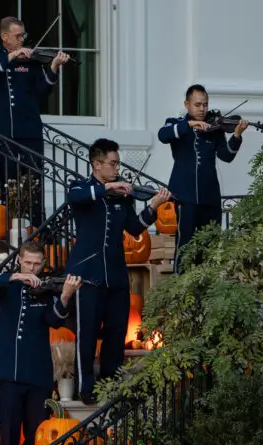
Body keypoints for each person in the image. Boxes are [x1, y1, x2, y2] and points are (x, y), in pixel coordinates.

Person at [65, 139, 172, 404]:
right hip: (86, 273)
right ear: (96, 164)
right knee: (87, 333)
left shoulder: (122, 196)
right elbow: (75, 197)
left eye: (117, 164)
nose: (116, 168)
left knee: (116, 332)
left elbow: (134, 228)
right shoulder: (82, 187)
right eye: (112, 164)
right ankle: (85, 387)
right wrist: (107, 187)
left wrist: (153, 206)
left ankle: (109, 384)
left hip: (115, 274)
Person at [0, 241, 81, 445]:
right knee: (8, 435)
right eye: (28, 263)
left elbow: (54, 320)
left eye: (37, 264)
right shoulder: (9, 286)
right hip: (8, 372)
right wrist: (15, 276)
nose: (32, 268)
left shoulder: (46, 290)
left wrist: (66, 295)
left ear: (43, 264)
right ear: (20, 260)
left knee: (36, 436)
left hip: (37, 372)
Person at [0, 16, 69, 227]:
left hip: (29, 129)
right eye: (18, 36)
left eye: (23, 36)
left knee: (34, 182)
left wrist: (53, 67)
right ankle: (7, 227)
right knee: (8, 181)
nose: (22, 41)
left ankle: (38, 227)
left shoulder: (32, 62)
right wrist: (12, 56)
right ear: (5, 36)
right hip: (3, 129)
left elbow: (42, 92)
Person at [158, 84, 250, 271]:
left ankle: (205, 289)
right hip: (184, 196)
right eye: (197, 105)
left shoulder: (215, 127)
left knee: (210, 246)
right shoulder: (175, 124)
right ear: (187, 104)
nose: (202, 109)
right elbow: (163, 135)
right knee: (185, 245)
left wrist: (237, 135)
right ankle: (181, 289)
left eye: (205, 105)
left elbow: (226, 156)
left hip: (210, 196)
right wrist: (190, 124)